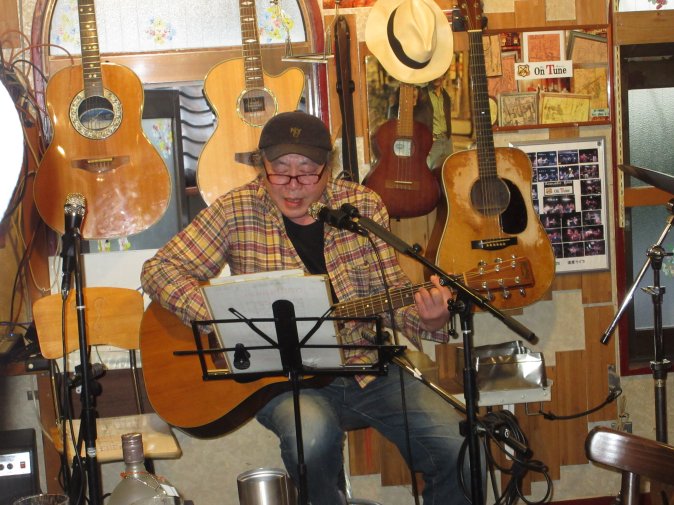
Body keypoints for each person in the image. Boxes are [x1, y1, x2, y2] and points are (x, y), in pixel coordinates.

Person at [141, 110, 476, 505]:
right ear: (262, 167)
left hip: (365, 367)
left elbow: (391, 293)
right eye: (280, 172)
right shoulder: (236, 210)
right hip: (281, 380)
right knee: (312, 439)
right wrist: (220, 316)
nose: (293, 186)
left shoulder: (362, 206)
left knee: (458, 445)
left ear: (327, 169)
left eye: (307, 172)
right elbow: (159, 270)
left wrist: (429, 317)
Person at [416, 76, 454, 171]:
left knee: (448, 170)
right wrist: (424, 139)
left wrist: (449, 136)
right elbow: (416, 117)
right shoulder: (422, 93)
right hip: (432, 141)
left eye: (439, 75)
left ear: (444, 77)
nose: (437, 78)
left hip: (447, 140)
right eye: (435, 75)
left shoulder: (445, 95)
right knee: (430, 171)